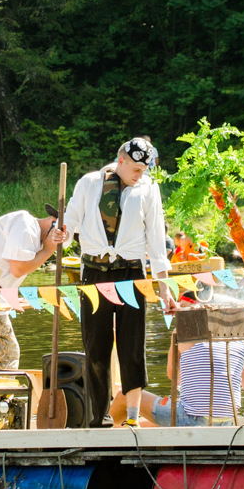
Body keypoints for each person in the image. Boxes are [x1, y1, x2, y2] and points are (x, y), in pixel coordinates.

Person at [62, 136, 176, 427]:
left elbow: (156, 242)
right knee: (96, 347)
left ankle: (133, 418)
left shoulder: (149, 189)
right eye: (137, 168)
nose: (142, 174)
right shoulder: (89, 183)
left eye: (145, 168)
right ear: (121, 161)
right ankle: (98, 417)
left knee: (132, 346)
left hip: (132, 274)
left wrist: (164, 287)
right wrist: (60, 234)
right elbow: (70, 219)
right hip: (94, 273)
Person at [112, 313, 244, 426]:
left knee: (125, 393)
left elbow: (174, 378)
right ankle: (125, 429)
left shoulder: (186, 336)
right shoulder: (235, 345)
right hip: (228, 422)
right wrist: (241, 426)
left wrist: (174, 338)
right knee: (158, 416)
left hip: (192, 419)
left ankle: (112, 438)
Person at [0, 208, 69, 369]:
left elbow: (8, 270)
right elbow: (18, 268)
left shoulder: (25, 227)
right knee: (7, 356)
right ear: (55, 226)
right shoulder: (27, 226)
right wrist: (48, 250)